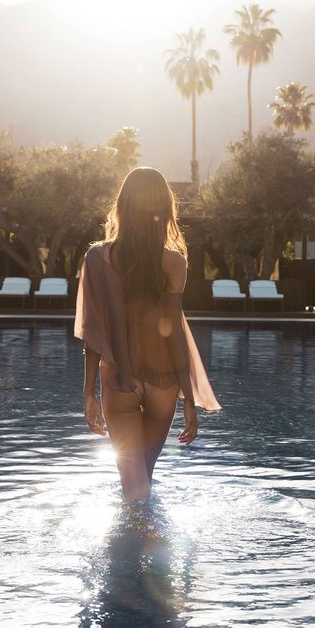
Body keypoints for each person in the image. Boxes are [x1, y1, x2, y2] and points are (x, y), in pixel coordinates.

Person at [75, 166, 220, 501]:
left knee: (135, 488)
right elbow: (174, 332)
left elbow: (93, 331)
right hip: (164, 384)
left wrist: (88, 393)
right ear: (164, 211)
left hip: (120, 382)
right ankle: (150, 546)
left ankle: (133, 548)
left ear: (122, 206)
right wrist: (188, 400)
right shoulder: (173, 262)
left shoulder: (97, 257)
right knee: (143, 484)